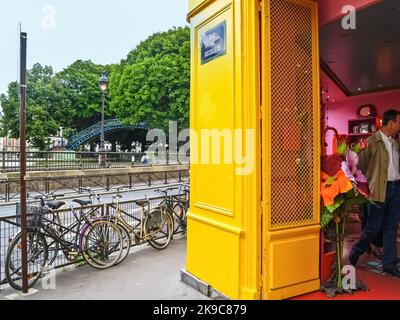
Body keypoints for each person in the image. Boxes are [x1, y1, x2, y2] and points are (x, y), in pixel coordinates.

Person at [349, 109, 400, 277]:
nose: (399, 126)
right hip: (378, 191)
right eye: (398, 122)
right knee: (374, 227)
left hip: (395, 188)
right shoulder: (371, 142)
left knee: (391, 227)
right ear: (391, 123)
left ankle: (389, 264)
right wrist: (365, 189)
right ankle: (357, 250)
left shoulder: (395, 143)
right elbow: (360, 167)